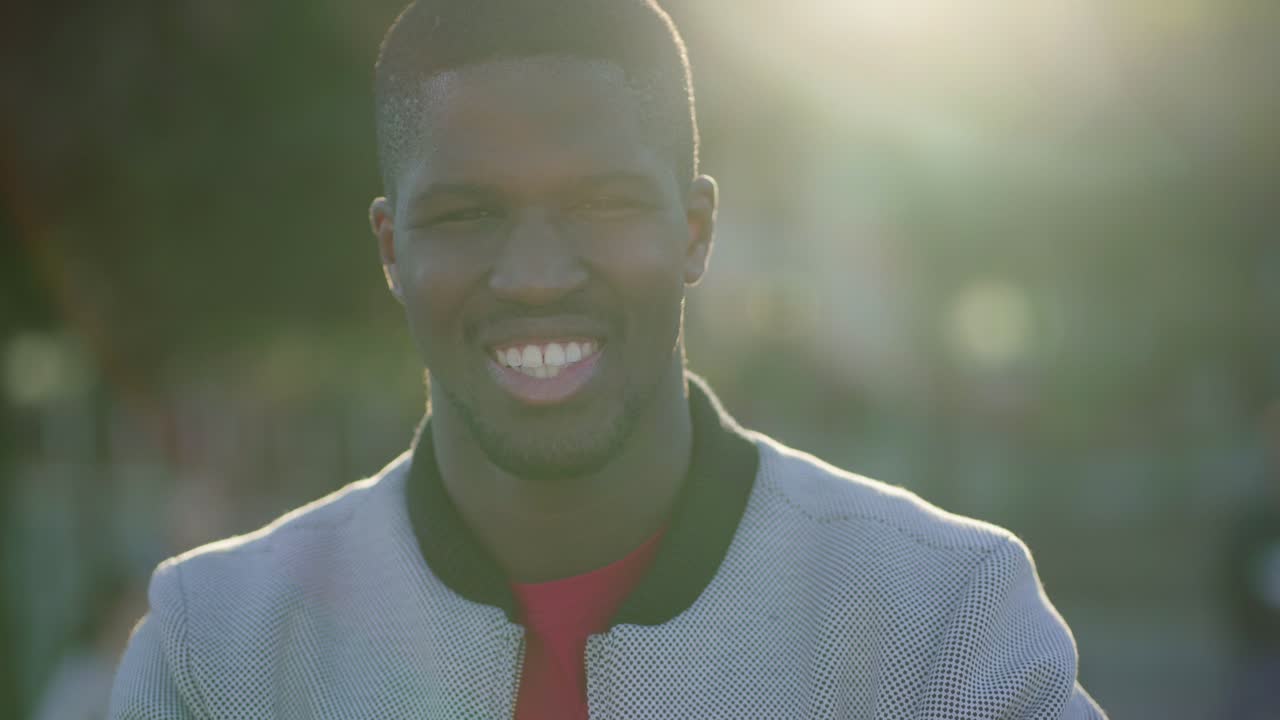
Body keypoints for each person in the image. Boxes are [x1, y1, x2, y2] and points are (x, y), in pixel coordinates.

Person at [109, 0, 1106, 717]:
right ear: (389, 252)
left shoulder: (941, 625)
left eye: (603, 204)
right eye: (465, 214)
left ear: (694, 229)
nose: (536, 276)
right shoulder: (221, 654)